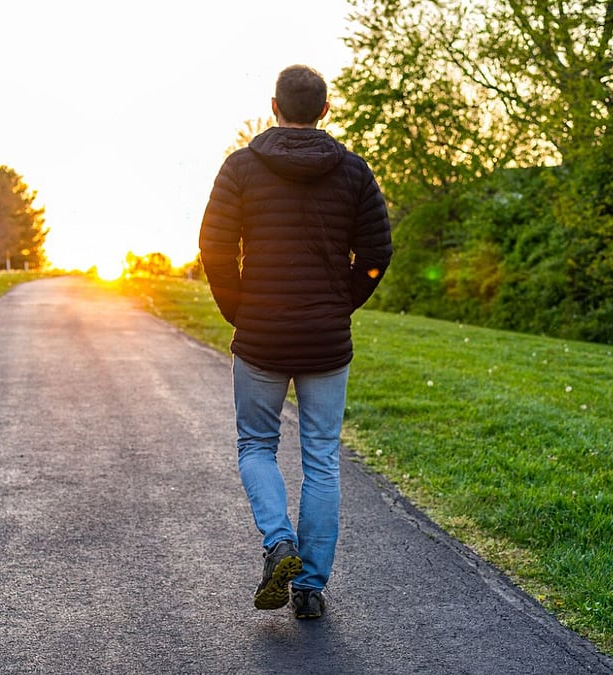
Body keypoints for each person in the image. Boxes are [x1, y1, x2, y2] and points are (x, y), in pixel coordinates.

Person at [198, 64, 393, 620]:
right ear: (325, 110)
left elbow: (213, 248)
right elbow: (377, 255)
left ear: (274, 107)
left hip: (260, 334)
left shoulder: (240, 166)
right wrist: (341, 303)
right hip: (326, 341)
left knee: (256, 445)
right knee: (322, 458)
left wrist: (240, 309)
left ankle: (278, 541)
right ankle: (309, 587)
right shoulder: (354, 171)